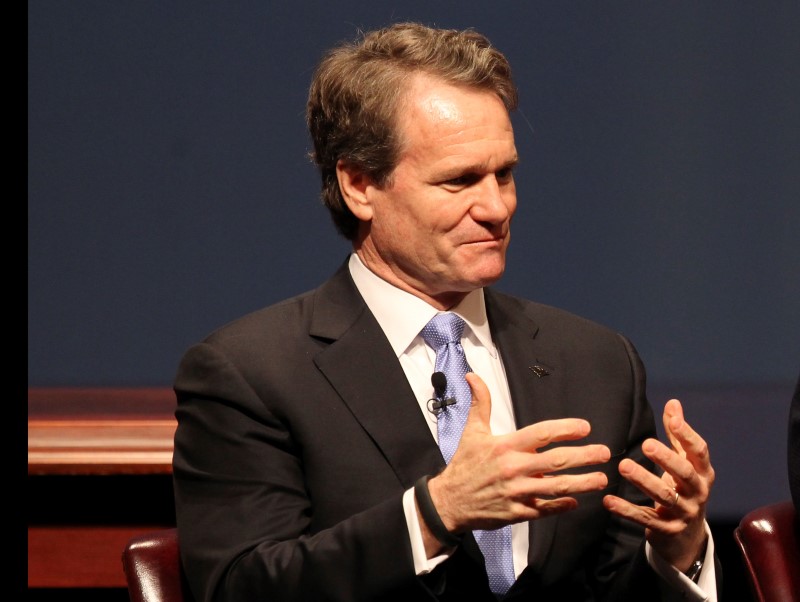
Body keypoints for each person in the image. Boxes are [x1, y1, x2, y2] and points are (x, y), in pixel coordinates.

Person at [172, 22, 720, 601]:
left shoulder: (595, 360)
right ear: (360, 185)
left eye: (504, 174)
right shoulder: (251, 372)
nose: (496, 207)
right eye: (460, 180)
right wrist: (434, 514)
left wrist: (677, 549)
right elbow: (241, 586)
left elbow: (614, 589)